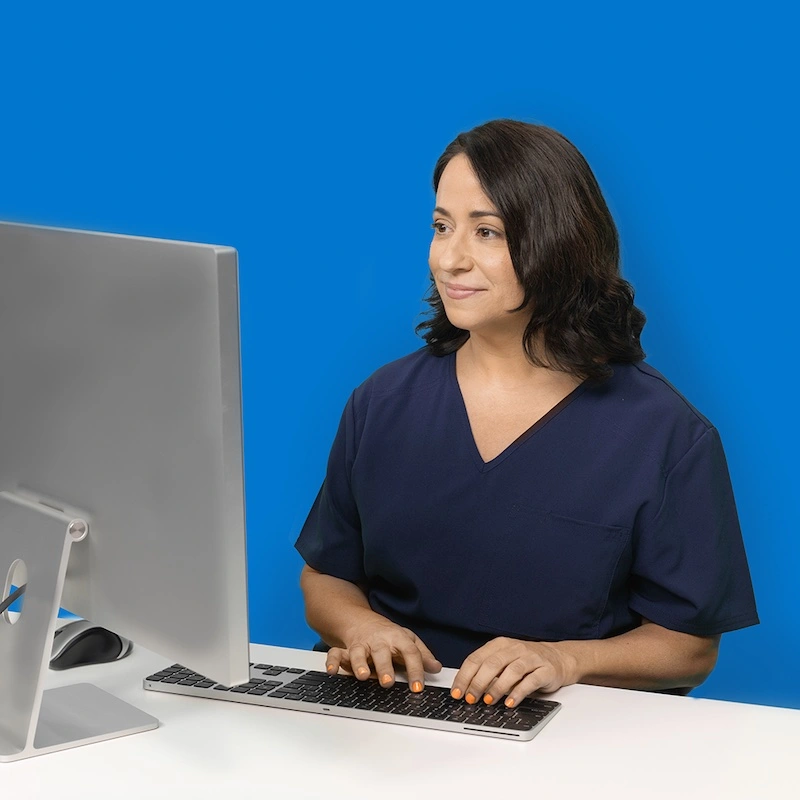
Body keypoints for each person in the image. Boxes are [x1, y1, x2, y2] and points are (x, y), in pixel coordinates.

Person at [295, 119, 759, 710]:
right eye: (442, 226)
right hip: (384, 711)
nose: (451, 259)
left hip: (559, 727)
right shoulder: (381, 402)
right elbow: (327, 575)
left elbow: (689, 647)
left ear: (558, 243)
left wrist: (564, 660)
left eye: (487, 232)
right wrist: (361, 628)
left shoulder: (665, 435)